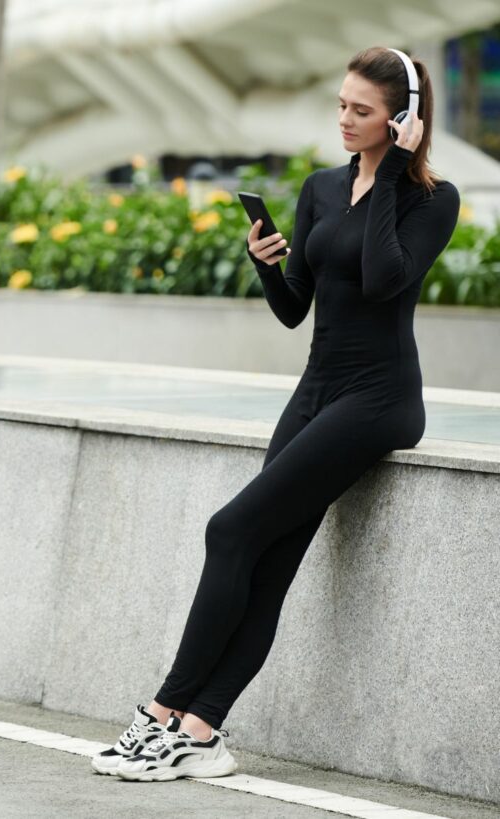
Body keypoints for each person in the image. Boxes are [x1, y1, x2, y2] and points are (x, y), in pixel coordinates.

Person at [91, 45, 460, 782]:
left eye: (363, 110)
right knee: (267, 557)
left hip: (381, 399)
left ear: (405, 120)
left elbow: (387, 277)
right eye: (342, 104)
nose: (345, 119)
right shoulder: (321, 188)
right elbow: (297, 309)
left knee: (229, 528)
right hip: (319, 388)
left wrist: (389, 175)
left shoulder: (432, 198)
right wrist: (267, 260)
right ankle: (202, 733)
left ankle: (165, 710)